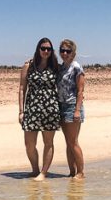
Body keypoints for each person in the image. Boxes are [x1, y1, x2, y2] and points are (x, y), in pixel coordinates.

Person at [19, 38, 61, 179]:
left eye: (48, 49)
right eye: (43, 48)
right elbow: (21, 88)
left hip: (50, 109)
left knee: (48, 143)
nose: (46, 51)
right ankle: (35, 170)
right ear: (38, 49)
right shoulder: (29, 66)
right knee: (29, 144)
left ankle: (43, 172)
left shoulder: (55, 66)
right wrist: (21, 111)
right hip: (32, 108)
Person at [57, 38, 85, 178]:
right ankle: (71, 172)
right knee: (68, 143)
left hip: (72, 107)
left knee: (73, 142)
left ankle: (80, 172)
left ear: (73, 53)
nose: (65, 53)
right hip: (61, 107)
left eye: (68, 51)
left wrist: (77, 110)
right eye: (62, 50)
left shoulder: (76, 67)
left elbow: (80, 91)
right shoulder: (61, 67)